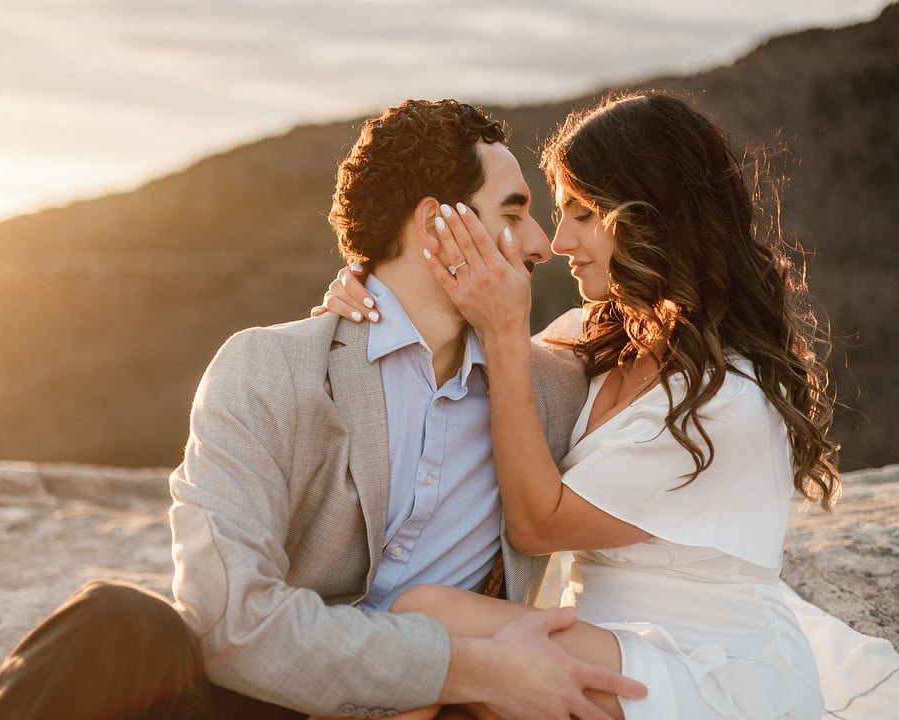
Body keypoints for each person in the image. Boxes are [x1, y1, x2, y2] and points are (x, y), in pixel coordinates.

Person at [0, 98, 646, 720]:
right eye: (511, 213)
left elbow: (688, 325)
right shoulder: (269, 369)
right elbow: (229, 621)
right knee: (115, 624)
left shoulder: (557, 388)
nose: (539, 243)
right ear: (437, 225)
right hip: (272, 702)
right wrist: (464, 666)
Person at [318, 90, 841, 719]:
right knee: (426, 648)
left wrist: (508, 335)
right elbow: (467, 369)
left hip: (708, 669)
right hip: (604, 640)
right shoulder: (596, 336)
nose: (559, 240)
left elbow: (538, 524)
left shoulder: (732, 399)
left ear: (654, 215)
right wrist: (377, 291)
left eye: (584, 214)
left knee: (424, 618)